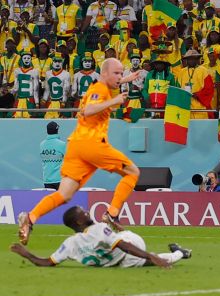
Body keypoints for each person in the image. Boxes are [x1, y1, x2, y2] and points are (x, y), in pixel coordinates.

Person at [17, 58, 143, 246]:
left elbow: (105, 89)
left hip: (76, 147)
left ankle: (30, 217)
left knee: (64, 194)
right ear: (105, 73)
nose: (120, 76)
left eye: (121, 73)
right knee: (133, 172)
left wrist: (125, 80)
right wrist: (115, 100)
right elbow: (88, 110)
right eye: (117, 73)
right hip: (92, 144)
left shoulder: (101, 86)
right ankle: (112, 213)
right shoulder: (100, 89)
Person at [11, 206, 191, 269]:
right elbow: (124, 246)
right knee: (118, 240)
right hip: (123, 252)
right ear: (78, 221)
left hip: (129, 246)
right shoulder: (93, 231)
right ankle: (179, 252)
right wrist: (150, 256)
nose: (87, 211)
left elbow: (46, 262)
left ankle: (177, 254)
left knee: (125, 242)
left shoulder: (70, 244)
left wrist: (26, 254)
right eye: (83, 212)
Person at [40, 122, 66, 190]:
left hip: (47, 179)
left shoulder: (42, 144)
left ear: (47, 131)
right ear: (57, 130)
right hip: (60, 179)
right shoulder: (62, 144)